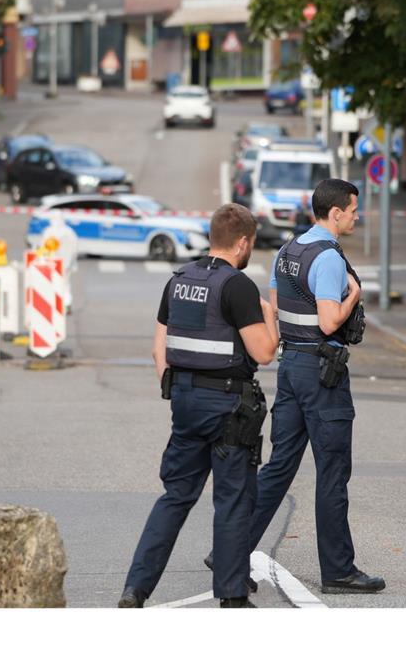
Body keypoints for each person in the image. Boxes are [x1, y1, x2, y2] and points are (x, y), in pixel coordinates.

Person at [119, 203, 279, 608]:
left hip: (186, 401)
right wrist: (270, 316)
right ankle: (232, 598)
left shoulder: (178, 280)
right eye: (251, 244)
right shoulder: (237, 286)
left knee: (175, 496)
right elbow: (263, 353)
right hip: (227, 405)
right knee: (231, 500)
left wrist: (183, 390)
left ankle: (135, 590)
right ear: (243, 242)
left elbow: (160, 350)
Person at [234, 178, 385, 594]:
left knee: (280, 465)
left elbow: (273, 306)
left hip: (292, 368)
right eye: (353, 210)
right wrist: (353, 294)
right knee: (333, 472)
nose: (357, 216)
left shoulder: (288, 250)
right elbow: (329, 320)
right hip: (323, 373)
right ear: (335, 213)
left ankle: (231, 549)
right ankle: (339, 571)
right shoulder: (330, 258)